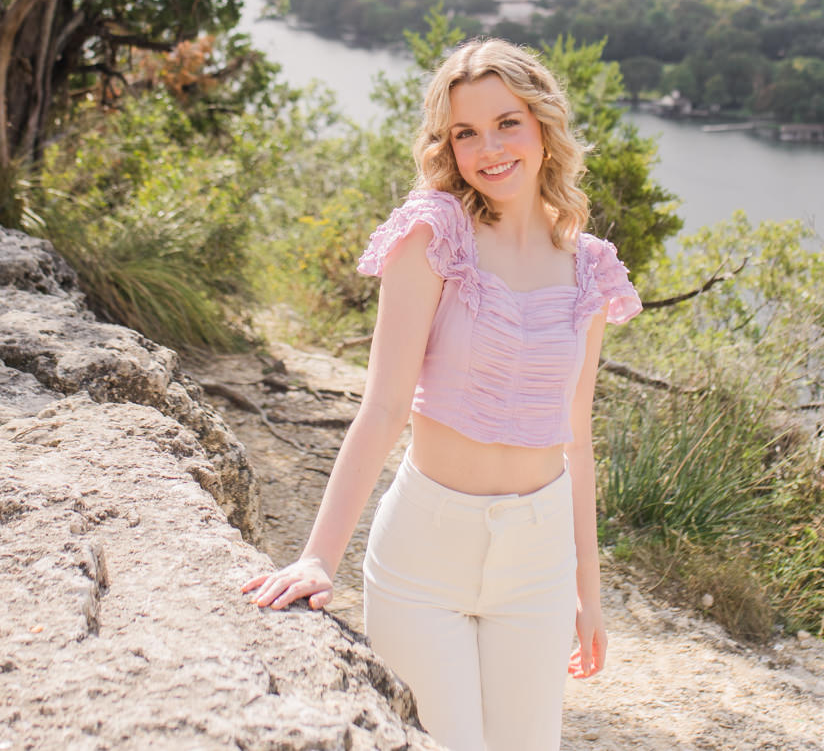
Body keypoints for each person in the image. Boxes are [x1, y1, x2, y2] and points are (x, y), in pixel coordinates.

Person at [242, 38, 643, 751]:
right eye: (465, 132)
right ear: (446, 142)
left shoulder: (588, 265)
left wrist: (588, 586)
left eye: (506, 122)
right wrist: (316, 557)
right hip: (425, 556)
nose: (489, 147)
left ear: (543, 125)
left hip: (539, 564)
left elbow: (574, 434)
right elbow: (384, 406)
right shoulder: (432, 235)